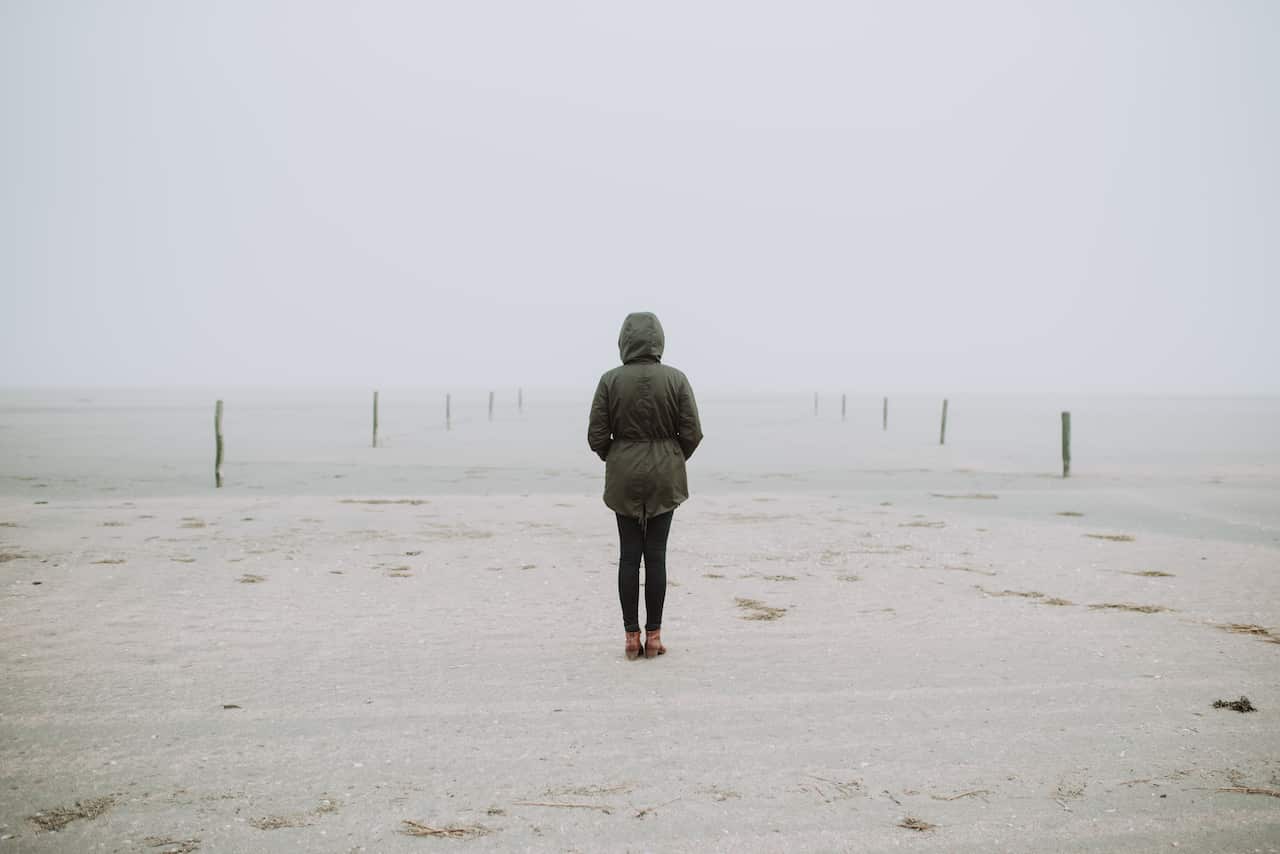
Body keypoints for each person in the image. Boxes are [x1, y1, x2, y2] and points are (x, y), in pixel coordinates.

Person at [588, 312, 703, 660]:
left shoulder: (610, 380)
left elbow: (596, 436)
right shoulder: (676, 379)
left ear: (624, 339)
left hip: (623, 476)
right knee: (656, 557)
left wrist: (619, 455)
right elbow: (692, 432)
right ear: (658, 340)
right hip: (665, 476)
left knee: (628, 557)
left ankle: (629, 636)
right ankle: (654, 637)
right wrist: (670, 454)